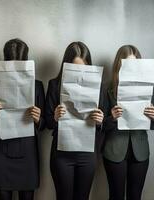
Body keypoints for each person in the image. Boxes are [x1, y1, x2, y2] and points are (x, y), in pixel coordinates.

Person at [0, 38, 46, 200]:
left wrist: (37, 118)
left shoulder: (38, 86)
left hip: (28, 152)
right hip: (2, 151)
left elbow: (44, 125)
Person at [45, 41, 104, 200]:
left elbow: (103, 124)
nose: (79, 72)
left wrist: (100, 121)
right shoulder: (54, 84)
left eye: (83, 68)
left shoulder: (98, 87)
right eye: (75, 68)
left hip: (87, 153)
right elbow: (47, 122)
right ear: (66, 66)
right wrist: (55, 117)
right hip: (62, 153)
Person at [102, 45, 154, 200]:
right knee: (116, 196)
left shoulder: (149, 89)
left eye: (135, 64)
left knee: (135, 196)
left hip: (140, 151)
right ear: (119, 65)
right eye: (127, 64)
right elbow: (100, 125)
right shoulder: (108, 88)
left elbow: (153, 125)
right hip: (114, 150)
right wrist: (112, 118)